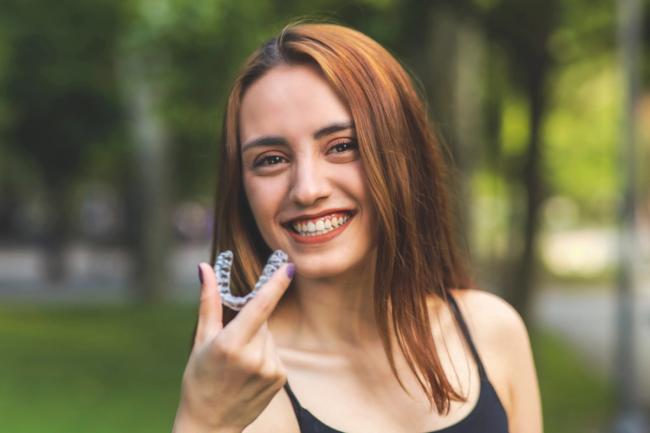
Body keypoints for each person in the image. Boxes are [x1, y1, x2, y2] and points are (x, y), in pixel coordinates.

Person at [173, 22, 542, 433]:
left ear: (405, 156)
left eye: (342, 146)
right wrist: (203, 421)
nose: (308, 189)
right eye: (272, 159)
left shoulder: (493, 330)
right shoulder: (248, 387)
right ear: (241, 190)